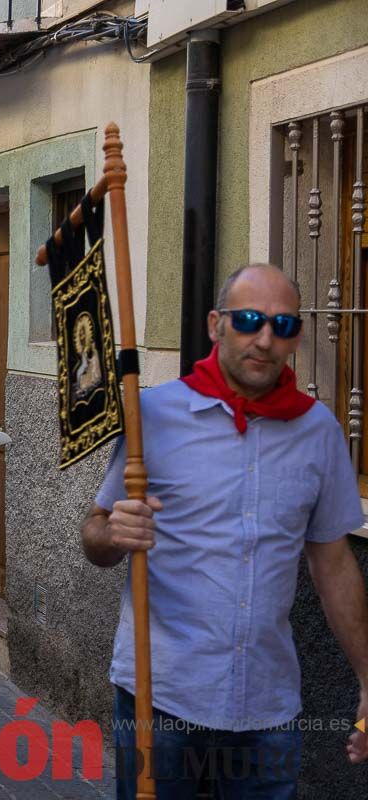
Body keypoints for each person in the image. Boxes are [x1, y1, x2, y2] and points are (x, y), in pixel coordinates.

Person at [80, 264, 368, 798]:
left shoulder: (319, 432)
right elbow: (95, 535)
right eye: (250, 320)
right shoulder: (153, 416)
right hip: (159, 695)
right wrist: (112, 533)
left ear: (297, 338)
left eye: (282, 326)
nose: (264, 339)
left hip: (266, 704)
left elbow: (333, 563)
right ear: (216, 325)